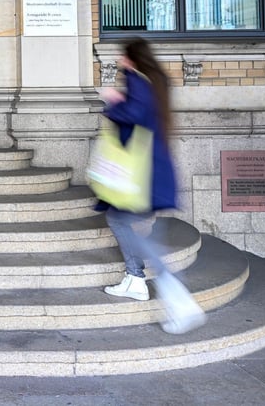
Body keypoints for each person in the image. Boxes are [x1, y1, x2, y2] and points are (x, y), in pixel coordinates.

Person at [97, 37, 206, 334]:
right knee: (121, 220)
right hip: (151, 171)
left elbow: (133, 115)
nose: (120, 62)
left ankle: (175, 293)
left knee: (133, 229)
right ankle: (135, 279)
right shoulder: (157, 81)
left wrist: (114, 102)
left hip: (140, 174)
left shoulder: (137, 80)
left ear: (132, 59)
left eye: (123, 57)